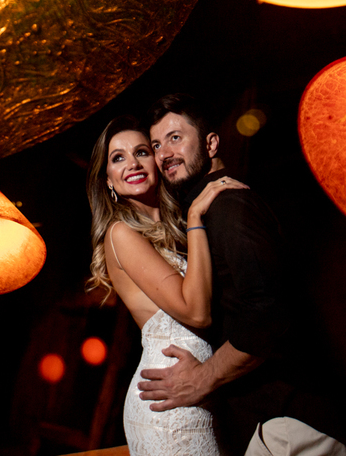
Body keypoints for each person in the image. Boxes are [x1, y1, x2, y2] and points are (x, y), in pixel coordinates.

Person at [139, 94, 346, 456]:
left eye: (175, 138)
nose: (164, 154)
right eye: (157, 144)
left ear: (212, 143)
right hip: (262, 422)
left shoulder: (230, 205)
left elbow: (268, 315)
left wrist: (203, 377)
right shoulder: (204, 213)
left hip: (289, 422)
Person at [86, 114, 246, 455]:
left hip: (197, 393)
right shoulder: (120, 234)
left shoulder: (172, 234)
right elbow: (196, 313)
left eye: (142, 151)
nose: (132, 163)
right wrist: (194, 219)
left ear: (157, 163)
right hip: (168, 406)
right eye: (118, 158)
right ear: (109, 181)